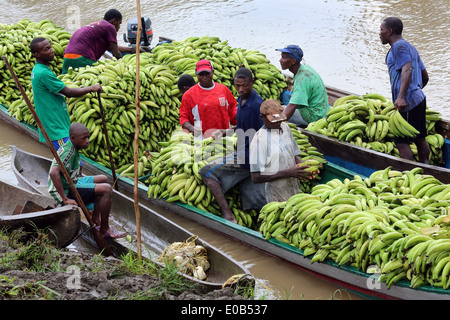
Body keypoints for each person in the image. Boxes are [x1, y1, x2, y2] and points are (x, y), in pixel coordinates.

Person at [200, 67, 266, 223]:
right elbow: (244, 126)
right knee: (251, 192)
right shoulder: (242, 100)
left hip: (250, 156)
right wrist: (227, 131)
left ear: (252, 82)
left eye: (245, 86)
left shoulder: (257, 105)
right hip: (245, 152)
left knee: (206, 172)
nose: (241, 89)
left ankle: (228, 215)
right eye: (238, 86)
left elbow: (266, 130)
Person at [48, 123, 126, 239]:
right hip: (64, 189)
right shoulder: (68, 152)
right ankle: (104, 229)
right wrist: (65, 198)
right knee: (107, 190)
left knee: (103, 179)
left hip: (72, 182)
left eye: (88, 137)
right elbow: (54, 173)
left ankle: (95, 218)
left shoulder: (73, 147)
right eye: (84, 138)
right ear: (73, 139)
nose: (88, 141)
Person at [30, 37, 102, 150]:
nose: (52, 50)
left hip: (58, 124)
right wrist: (91, 88)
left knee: (69, 162)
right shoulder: (43, 73)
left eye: (50, 46)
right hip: (56, 129)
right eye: (46, 49)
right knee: (67, 162)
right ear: (37, 54)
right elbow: (68, 92)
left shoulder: (39, 69)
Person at [379, 17, 430, 163]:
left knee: (401, 142)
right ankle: (425, 167)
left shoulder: (398, 48)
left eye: (381, 30)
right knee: (420, 138)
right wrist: (416, 90)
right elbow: (425, 76)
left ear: (389, 31)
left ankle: (410, 174)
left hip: (407, 102)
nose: (379, 33)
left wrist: (402, 97)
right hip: (419, 98)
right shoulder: (410, 47)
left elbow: (407, 69)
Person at [250, 99, 313, 203]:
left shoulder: (285, 128)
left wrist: (301, 165)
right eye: (274, 120)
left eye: (280, 119)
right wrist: (288, 173)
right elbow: (256, 177)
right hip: (277, 195)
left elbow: (294, 154)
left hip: (294, 189)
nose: (278, 123)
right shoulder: (259, 140)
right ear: (262, 118)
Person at [61, 9, 136, 74]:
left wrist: (132, 49)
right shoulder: (110, 27)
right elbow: (116, 53)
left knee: (69, 81)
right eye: (119, 23)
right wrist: (125, 66)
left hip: (67, 57)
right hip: (82, 57)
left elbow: (111, 48)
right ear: (114, 21)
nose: (119, 26)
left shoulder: (97, 25)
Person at [179, 59, 237, 139]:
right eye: (201, 74)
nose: (204, 77)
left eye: (207, 74)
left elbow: (232, 109)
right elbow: (183, 117)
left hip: (225, 138)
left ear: (212, 72)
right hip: (202, 140)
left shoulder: (223, 90)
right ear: (196, 74)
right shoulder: (189, 95)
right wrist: (192, 128)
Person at [276, 45, 329, 127]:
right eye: (281, 57)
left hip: (314, 115)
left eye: (284, 57)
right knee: (282, 109)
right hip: (321, 110)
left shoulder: (302, 79)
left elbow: (293, 106)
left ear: (293, 61)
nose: (280, 60)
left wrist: (276, 122)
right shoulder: (305, 68)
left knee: (276, 112)